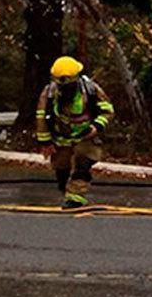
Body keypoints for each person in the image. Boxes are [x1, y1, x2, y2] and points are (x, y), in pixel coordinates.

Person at [36, 56, 113, 209]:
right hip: (61, 138)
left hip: (85, 137)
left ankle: (76, 197)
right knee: (61, 167)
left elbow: (107, 110)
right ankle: (65, 187)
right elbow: (41, 116)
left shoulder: (90, 89)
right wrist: (45, 141)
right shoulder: (49, 93)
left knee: (83, 163)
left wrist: (96, 128)